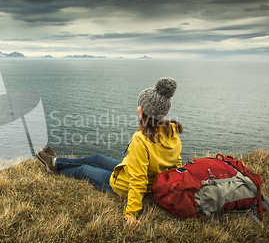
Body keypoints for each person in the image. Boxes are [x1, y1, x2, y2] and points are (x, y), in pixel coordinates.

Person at [36, 77, 183, 225]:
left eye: (139, 104)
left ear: (146, 111)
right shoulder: (171, 131)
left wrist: (131, 212)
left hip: (122, 185)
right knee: (97, 158)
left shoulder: (141, 138)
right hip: (133, 173)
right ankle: (54, 162)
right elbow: (177, 163)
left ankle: (54, 168)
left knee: (84, 170)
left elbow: (139, 179)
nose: (137, 107)